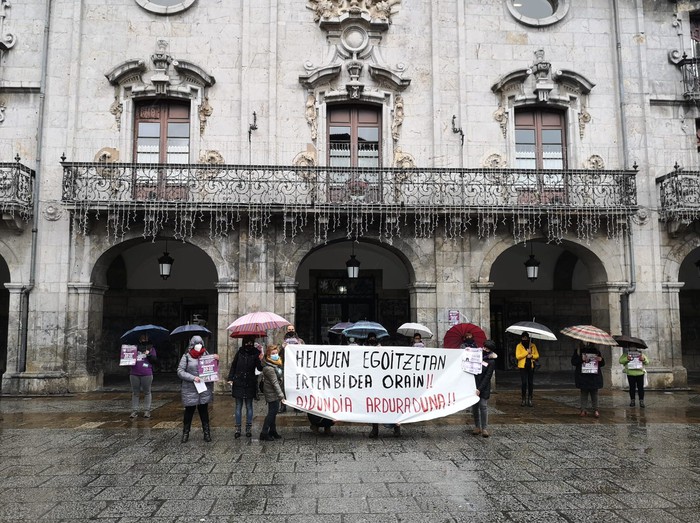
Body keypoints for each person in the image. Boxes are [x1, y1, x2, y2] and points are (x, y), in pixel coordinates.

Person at [177, 335, 218, 443]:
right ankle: (185, 433)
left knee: (204, 410)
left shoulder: (207, 355)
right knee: (189, 411)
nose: (199, 345)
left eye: (200, 343)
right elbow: (180, 371)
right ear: (192, 345)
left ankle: (207, 433)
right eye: (196, 343)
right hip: (190, 388)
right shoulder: (186, 356)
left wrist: (216, 361)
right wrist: (193, 378)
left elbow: (212, 369)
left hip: (203, 388)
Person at [227, 335, 263, 438]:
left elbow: (259, 368)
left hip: (250, 382)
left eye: (250, 342)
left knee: (249, 406)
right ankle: (238, 428)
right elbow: (234, 366)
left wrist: (261, 359)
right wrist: (231, 378)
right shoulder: (240, 352)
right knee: (238, 406)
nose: (248, 344)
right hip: (239, 381)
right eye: (246, 342)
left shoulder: (256, 353)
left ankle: (248, 427)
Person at [366, 333, 401, 438]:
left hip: (385, 382)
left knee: (391, 405)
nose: (372, 340)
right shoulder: (364, 350)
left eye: (373, 338)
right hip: (373, 383)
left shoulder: (382, 349)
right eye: (370, 338)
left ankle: (396, 428)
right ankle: (375, 429)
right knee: (374, 407)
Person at [471, 339, 497, 438]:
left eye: (487, 348)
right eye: (484, 347)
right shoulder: (477, 356)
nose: (485, 349)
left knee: (483, 406)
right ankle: (477, 426)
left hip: (484, 387)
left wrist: (480, 389)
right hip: (474, 384)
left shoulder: (491, 361)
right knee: (475, 407)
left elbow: (488, 376)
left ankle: (484, 428)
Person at [572, 342, 605, 418]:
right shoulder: (578, 351)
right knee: (584, 393)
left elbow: (602, 364)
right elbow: (573, 362)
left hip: (593, 375)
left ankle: (596, 410)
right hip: (583, 375)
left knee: (594, 393)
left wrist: (601, 359)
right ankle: (583, 410)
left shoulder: (596, 351)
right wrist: (581, 359)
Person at [259, 345, 285, 441]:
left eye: (276, 353)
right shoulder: (269, 368)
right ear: (268, 355)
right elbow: (275, 383)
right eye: (273, 353)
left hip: (274, 393)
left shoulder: (276, 364)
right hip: (271, 393)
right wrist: (281, 395)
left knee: (273, 412)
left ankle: (273, 431)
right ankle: (264, 432)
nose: (275, 355)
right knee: (272, 413)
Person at [129, 334, 157, 419]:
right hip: (134, 373)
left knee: (147, 392)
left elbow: (155, 360)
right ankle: (134, 411)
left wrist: (148, 354)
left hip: (147, 373)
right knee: (135, 392)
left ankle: (147, 411)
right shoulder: (133, 348)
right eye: (142, 338)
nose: (144, 339)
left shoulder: (151, 348)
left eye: (146, 338)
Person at [515, 333, 539, 407]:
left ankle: (530, 399)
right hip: (523, 367)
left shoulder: (532, 345)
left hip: (530, 366)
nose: (525, 339)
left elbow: (537, 355)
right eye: (523, 338)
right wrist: (526, 352)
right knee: (524, 383)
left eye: (526, 338)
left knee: (530, 383)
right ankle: (523, 399)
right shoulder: (519, 346)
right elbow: (518, 356)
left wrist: (531, 355)